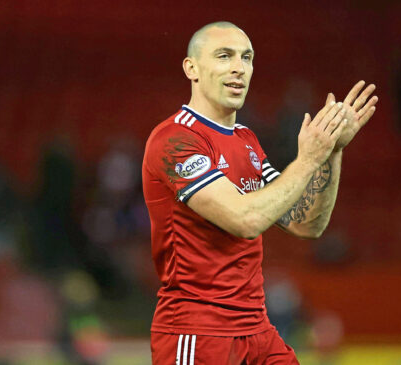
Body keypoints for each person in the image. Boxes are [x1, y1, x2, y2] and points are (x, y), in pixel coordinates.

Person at [142, 21, 378, 365]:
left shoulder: (246, 140)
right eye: (224, 56)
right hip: (198, 335)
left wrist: (331, 153)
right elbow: (246, 219)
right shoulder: (175, 140)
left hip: (258, 331)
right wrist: (308, 158)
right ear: (191, 68)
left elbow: (305, 224)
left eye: (247, 58)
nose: (239, 67)